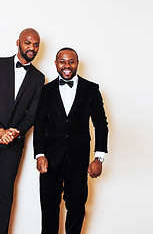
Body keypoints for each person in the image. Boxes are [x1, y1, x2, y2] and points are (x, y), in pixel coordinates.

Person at [0, 28, 45, 234]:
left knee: (6, 194)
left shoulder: (39, 78)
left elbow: (33, 115)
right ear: (18, 43)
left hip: (13, 145)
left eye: (36, 44)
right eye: (28, 43)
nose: (32, 47)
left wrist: (15, 132)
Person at [33, 47, 109, 234]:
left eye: (71, 61)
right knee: (49, 207)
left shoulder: (91, 89)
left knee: (77, 207)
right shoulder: (46, 90)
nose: (67, 65)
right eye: (62, 61)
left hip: (78, 160)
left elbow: (101, 124)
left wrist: (99, 158)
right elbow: (39, 124)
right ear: (56, 64)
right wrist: (39, 154)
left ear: (77, 63)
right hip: (50, 160)